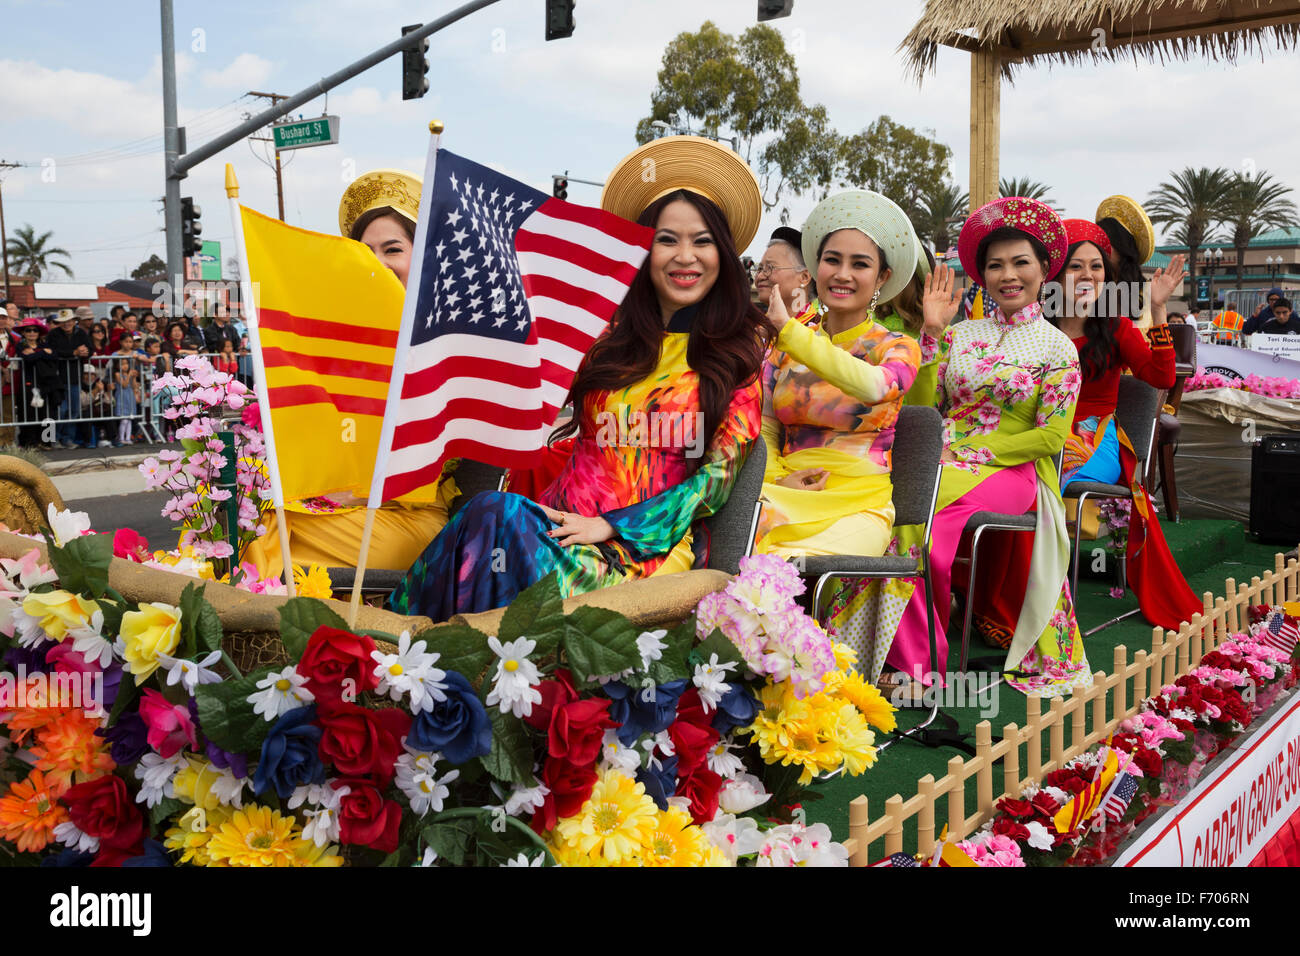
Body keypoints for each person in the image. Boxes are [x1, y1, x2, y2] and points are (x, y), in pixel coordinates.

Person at [387, 136, 769, 621]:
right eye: (666, 240)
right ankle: (414, 658)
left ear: (724, 252)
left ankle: (413, 658)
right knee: (489, 513)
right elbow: (526, 381)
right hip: (555, 526)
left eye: (702, 241)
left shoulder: (735, 360)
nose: (684, 256)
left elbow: (715, 480)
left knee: (495, 517)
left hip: (637, 552)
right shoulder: (605, 340)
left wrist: (610, 526)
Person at [885, 197, 1090, 698]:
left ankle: (920, 668)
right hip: (943, 460)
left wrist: (975, 453)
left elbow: (1050, 437)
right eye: (995, 265)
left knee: (924, 529)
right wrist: (930, 335)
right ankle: (884, 648)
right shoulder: (958, 335)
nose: (1008, 275)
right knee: (891, 517)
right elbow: (920, 406)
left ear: (1045, 269)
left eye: (1021, 262)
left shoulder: (1056, 347)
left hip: (1012, 472)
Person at [972, 219, 1201, 645]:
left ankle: (1023, 610)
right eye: (1077, 267)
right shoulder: (1033, 326)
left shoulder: (1115, 328)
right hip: (1036, 432)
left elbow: (1162, 374)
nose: (1088, 276)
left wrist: (1156, 309)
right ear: (1054, 275)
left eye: (1097, 267)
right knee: (995, 481)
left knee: (1037, 485)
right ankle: (989, 601)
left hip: (1095, 436)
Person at [243, 168, 459, 580]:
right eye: (364, 253)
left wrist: (356, 492)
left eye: (392, 249)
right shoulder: (341, 345)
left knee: (261, 531)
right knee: (240, 518)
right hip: (331, 506)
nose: (376, 264)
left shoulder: (446, 341)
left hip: (412, 520)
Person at [752, 191, 922, 661]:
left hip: (858, 504)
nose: (843, 274)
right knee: (727, 546)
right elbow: (766, 427)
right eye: (832, 259)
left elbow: (870, 386)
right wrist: (773, 477)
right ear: (816, 268)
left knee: (779, 571)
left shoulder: (898, 347)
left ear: (882, 278)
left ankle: (803, 691)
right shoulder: (785, 345)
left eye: (860, 264)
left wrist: (792, 333)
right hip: (788, 488)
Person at [1095, 194, 1156, 331]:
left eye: (1106, 242)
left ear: (1123, 247)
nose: (1099, 248)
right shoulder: (1090, 287)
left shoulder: (1145, 293)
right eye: (1097, 242)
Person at [45, 310, 92, 448]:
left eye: (69, 320)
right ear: (59, 323)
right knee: (60, 410)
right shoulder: (53, 335)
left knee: (75, 410)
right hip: (58, 378)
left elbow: (90, 348)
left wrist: (84, 352)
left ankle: (67, 439)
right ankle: (55, 438)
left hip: (75, 378)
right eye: (64, 321)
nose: (67, 324)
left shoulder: (81, 333)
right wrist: (74, 352)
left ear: (74, 321)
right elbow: (53, 351)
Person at [14, 318, 63, 448]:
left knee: (48, 413)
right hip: (29, 384)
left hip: (46, 384)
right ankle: (30, 442)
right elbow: (27, 358)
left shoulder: (44, 344)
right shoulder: (21, 345)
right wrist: (42, 353)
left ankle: (47, 442)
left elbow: (54, 355)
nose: (32, 333)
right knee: (29, 413)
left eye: (35, 330)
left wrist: (37, 353)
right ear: (23, 333)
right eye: (28, 330)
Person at [753, 226, 813, 313]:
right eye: (759, 269)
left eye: (770, 267)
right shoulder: (755, 325)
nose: (760, 276)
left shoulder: (823, 325)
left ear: (804, 277)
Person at [111, 331, 141, 446]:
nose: (125, 366)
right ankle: (121, 437)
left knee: (129, 419)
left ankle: (128, 438)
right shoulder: (118, 374)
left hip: (129, 395)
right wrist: (129, 374)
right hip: (122, 396)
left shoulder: (129, 371)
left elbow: (132, 385)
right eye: (122, 364)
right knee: (123, 419)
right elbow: (124, 384)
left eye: (126, 364)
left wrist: (133, 378)